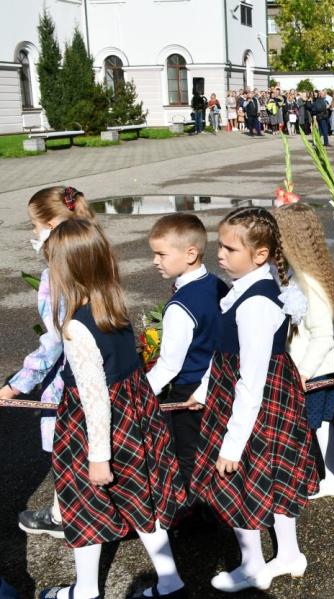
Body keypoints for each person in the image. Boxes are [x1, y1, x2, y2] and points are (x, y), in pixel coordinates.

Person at [40, 219, 188, 599]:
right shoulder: (113, 309)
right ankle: (170, 580)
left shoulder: (75, 325)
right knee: (143, 498)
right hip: (135, 419)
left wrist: (98, 456)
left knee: (81, 500)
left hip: (94, 429)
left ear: (64, 270)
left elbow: (94, 397)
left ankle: (86, 590)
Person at [190, 207, 317, 591]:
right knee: (271, 474)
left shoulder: (257, 303)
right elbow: (225, 353)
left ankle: (253, 565)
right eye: (221, 246)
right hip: (247, 394)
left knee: (243, 477)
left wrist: (232, 443)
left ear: (260, 255)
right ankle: (288, 555)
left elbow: (252, 378)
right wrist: (202, 390)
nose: (221, 255)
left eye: (230, 249)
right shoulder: (247, 289)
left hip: (256, 402)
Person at [4, 186, 93, 541]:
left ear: (54, 225)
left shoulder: (53, 277)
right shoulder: (94, 259)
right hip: (97, 370)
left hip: (65, 380)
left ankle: (64, 515)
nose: (32, 234)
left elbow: (53, 342)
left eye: (34, 225)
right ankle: (61, 509)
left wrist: (17, 384)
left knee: (65, 450)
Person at [146, 214, 228, 496]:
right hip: (220, 379)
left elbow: (169, 365)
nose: (155, 261)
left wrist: (139, 394)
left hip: (189, 390)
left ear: (190, 253)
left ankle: (195, 510)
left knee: (188, 453)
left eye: (161, 254)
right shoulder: (218, 285)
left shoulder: (180, 307)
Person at [273, 203, 334, 500]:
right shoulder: (306, 273)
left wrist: (302, 371)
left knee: (315, 425)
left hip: (315, 369)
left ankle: (328, 477)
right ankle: (332, 477)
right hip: (316, 367)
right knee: (321, 426)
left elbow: (324, 335)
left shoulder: (309, 283)